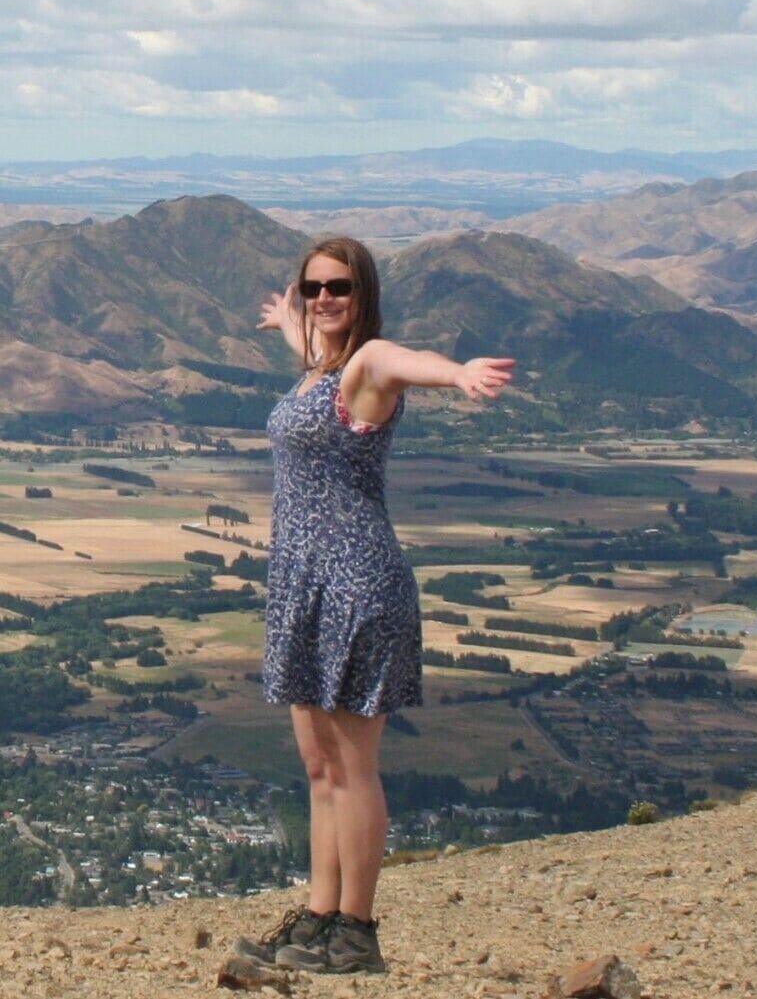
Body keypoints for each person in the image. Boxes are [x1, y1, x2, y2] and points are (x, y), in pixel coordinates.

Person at [233, 235, 513, 975]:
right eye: (314, 285)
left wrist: (457, 374)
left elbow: (397, 362)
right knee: (319, 764)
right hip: (304, 584)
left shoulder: (366, 365)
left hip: (357, 584)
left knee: (354, 767)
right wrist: (289, 323)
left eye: (340, 288)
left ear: (365, 296)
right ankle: (319, 917)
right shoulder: (320, 366)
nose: (325, 298)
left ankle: (357, 928)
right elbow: (318, 351)